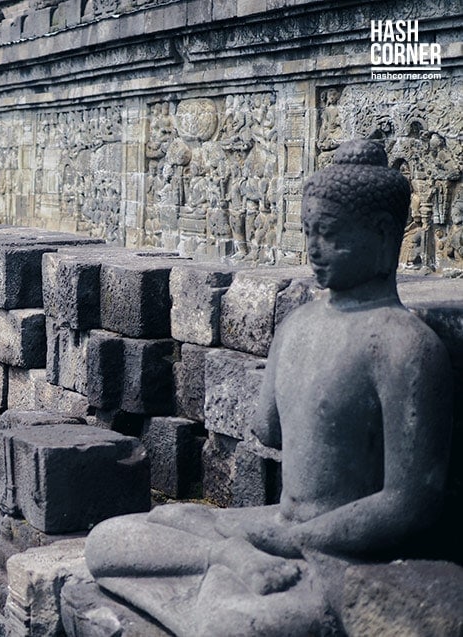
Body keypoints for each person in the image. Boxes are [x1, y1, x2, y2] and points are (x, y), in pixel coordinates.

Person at [83, 140, 454, 636]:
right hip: (272, 527)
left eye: (329, 234)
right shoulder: (297, 325)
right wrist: (254, 539)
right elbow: (272, 431)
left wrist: (299, 538)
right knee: (107, 540)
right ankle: (225, 561)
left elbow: (408, 502)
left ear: (383, 234)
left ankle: (216, 586)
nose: (313, 250)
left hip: (338, 549)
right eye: (308, 232)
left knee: (234, 625)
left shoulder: (405, 346)